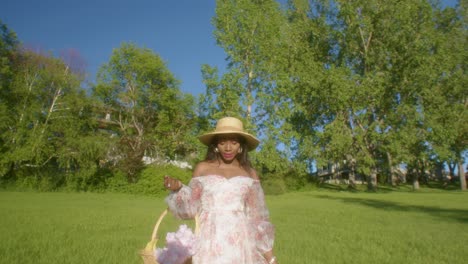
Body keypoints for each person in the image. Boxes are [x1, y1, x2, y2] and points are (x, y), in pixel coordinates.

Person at [163, 116, 278, 264]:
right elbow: (190, 208)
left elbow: (257, 219)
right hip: (208, 241)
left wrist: (271, 258)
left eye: (234, 142)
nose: (228, 148)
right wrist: (178, 188)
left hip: (239, 244)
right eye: (222, 142)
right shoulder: (203, 168)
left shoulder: (250, 174)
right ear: (216, 144)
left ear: (241, 145)